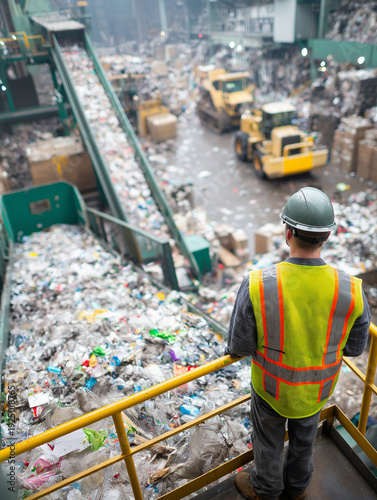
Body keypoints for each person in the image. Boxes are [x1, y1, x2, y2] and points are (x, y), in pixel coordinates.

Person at [226, 187, 371, 500]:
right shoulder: (351, 289)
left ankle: (265, 487)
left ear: (287, 231)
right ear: (327, 236)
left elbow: (239, 346)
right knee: (305, 440)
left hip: (270, 389)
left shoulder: (258, 283)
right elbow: (355, 348)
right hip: (317, 389)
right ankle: (298, 488)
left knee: (268, 441)